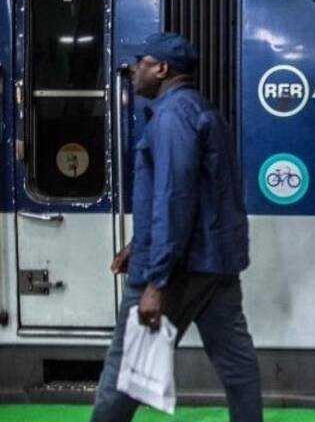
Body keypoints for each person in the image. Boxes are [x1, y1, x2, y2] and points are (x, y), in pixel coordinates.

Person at [91, 32, 262, 422]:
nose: (134, 71)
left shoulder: (171, 117)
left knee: (125, 370)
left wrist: (156, 281)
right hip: (214, 264)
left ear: (162, 69)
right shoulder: (200, 110)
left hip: (177, 268)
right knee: (236, 364)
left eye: (142, 63)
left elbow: (174, 196)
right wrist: (137, 242)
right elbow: (192, 194)